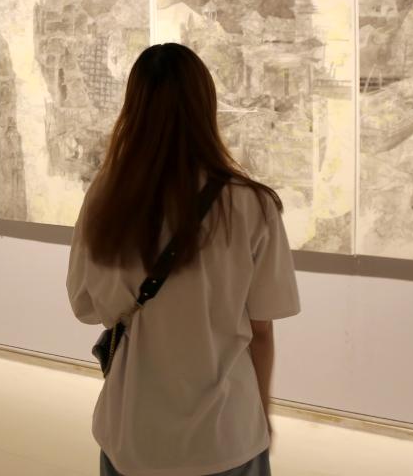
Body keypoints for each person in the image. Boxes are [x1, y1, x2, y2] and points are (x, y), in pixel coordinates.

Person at [67, 43, 300, 476]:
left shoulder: (105, 198)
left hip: (132, 431)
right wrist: (262, 414)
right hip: (225, 434)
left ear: (133, 108)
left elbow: (85, 306)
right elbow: (261, 331)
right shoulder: (252, 204)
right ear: (205, 106)